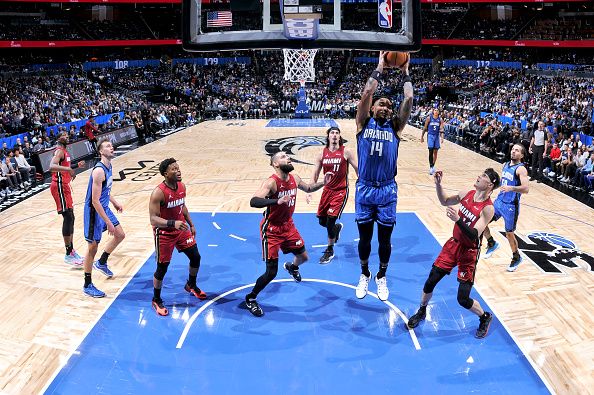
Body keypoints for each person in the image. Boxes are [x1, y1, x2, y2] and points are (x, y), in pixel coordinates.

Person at [407, 168, 500, 339]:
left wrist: (458, 219)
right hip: (453, 245)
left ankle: (484, 317)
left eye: (484, 176)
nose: (479, 176)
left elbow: (474, 234)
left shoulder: (488, 209)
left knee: (462, 299)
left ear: (490, 185)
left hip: (469, 252)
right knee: (431, 280)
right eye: (480, 174)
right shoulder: (467, 192)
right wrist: (438, 185)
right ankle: (421, 311)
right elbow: (444, 201)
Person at [353, 51, 413, 301]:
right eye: (383, 104)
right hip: (365, 189)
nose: (387, 107)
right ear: (373, 107)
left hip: (387, 190)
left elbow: (408, 97)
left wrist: (406, 72)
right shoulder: (362, 123)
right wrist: (379, 67)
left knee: (384, 241)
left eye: (389, 105)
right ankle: (365, 273)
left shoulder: (396, 128)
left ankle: (382, 275)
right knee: (365, 239)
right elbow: (367, 94)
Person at [244, 151, 332, 317]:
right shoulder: (271, 183)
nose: (288, 158)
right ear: (275, 164)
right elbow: (254, 201)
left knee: (304, 257)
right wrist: (276, 201)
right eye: (283, 157)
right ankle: (251, 298)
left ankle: (292, 267)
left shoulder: (295, 178)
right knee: (271, 272)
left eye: (288, 156)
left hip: (288, 226)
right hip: (271, 230)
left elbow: (309, 188)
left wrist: (323, 183)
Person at [148, 158, 206, 316]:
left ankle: (191, 285)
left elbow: (182, 206)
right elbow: (153, 219)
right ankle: (156, 299)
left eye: (178, 168)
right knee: (162, 268)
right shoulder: (158, 192)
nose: (178, 171)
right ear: (165, 174)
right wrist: (172, 223)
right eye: (174, 169)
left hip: (181, 229)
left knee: (196, 257)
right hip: (164, 233)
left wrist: (191, 224)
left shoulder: (182, 186)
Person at [307, 126, 358, 264]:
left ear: (339, 137)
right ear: (328, 136)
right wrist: (309, 191)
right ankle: (336, 228)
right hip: (327, 191)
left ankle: (329, 250)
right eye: (332, 133)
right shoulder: (321, 154)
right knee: (322, 221)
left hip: (341, 191)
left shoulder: (346, 151)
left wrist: (362, 183)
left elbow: (358, 168)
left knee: (330, 220)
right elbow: (315, 174)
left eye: (337, 133)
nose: (335, 135)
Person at [82, 139, 125, 297]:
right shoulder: (99, 171)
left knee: (120, 235)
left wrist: (114, 202)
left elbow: (105, 190)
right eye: (107, 146)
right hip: (95, 211)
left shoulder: (109, 166)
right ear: (100, 152)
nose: (111, 147)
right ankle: (87, 285)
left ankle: (101, 262)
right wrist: (108, 221)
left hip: (105, 207)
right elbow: (94, 200)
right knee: (92, 248)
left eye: (112, 145)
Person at [483, 144, 530, 272]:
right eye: (513, 149)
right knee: (481, 222)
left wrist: (512, 188)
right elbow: (503, 183)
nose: (514, 152)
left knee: (509, 234)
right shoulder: (506, 164)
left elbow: (526, 188)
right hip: (499, 202)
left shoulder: (521, 169)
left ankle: (516, 257)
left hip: (511, 206)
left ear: (522, 155)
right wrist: (490, 189)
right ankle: (492, 243)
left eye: (517, 151)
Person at [49, 132, 86, 266]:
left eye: (67, 134)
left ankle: (71, 251)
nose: (68, 136)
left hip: (64, 186)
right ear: (59, 138)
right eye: (64, 135)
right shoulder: (59, 151)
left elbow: (65, 167)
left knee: (71, 217)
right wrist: (69, 169)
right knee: (68, 217)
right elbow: (52, 167)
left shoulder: (65, 152)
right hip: (58, 186)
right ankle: (68, 253)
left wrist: (75, 167)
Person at [420, 108, 444, 175]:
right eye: (435, 110)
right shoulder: (429, 118)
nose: (436, 111)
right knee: (430, 150)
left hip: (436, 136)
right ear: (433, 111)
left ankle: (433, 165)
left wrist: (442, 138)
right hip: (430, 135)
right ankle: (431, 167)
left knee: (435, 152)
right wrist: (422, 137)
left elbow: (441, 129)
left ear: (438, 112)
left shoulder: (440, 120)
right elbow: (425, 128)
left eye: (437, 110)